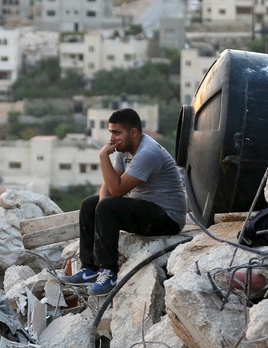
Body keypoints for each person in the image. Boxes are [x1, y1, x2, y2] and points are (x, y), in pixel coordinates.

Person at [62, 108, 188, 295]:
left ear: (133, 132)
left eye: (116, 132)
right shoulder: (124, 150)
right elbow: (109, 184)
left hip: (168, 217)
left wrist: (103, 156)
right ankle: (90, 270)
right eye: (111, 132)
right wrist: (101, 209)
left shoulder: (148, 152)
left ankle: (108, 272)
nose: (112, 138)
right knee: (89, 204)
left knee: (106, 206)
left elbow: (118, 189)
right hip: (145, 208)